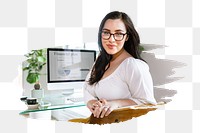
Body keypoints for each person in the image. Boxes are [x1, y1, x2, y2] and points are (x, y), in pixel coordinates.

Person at [83, 11, 156, 118]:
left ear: (126, 37)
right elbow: (86, 88)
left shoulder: (132, 65)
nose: (111, 40)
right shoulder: (100, 60)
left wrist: (116, 104)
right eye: (106, 33)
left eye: (118, 34)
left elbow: (149, 104)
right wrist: (93, 103)